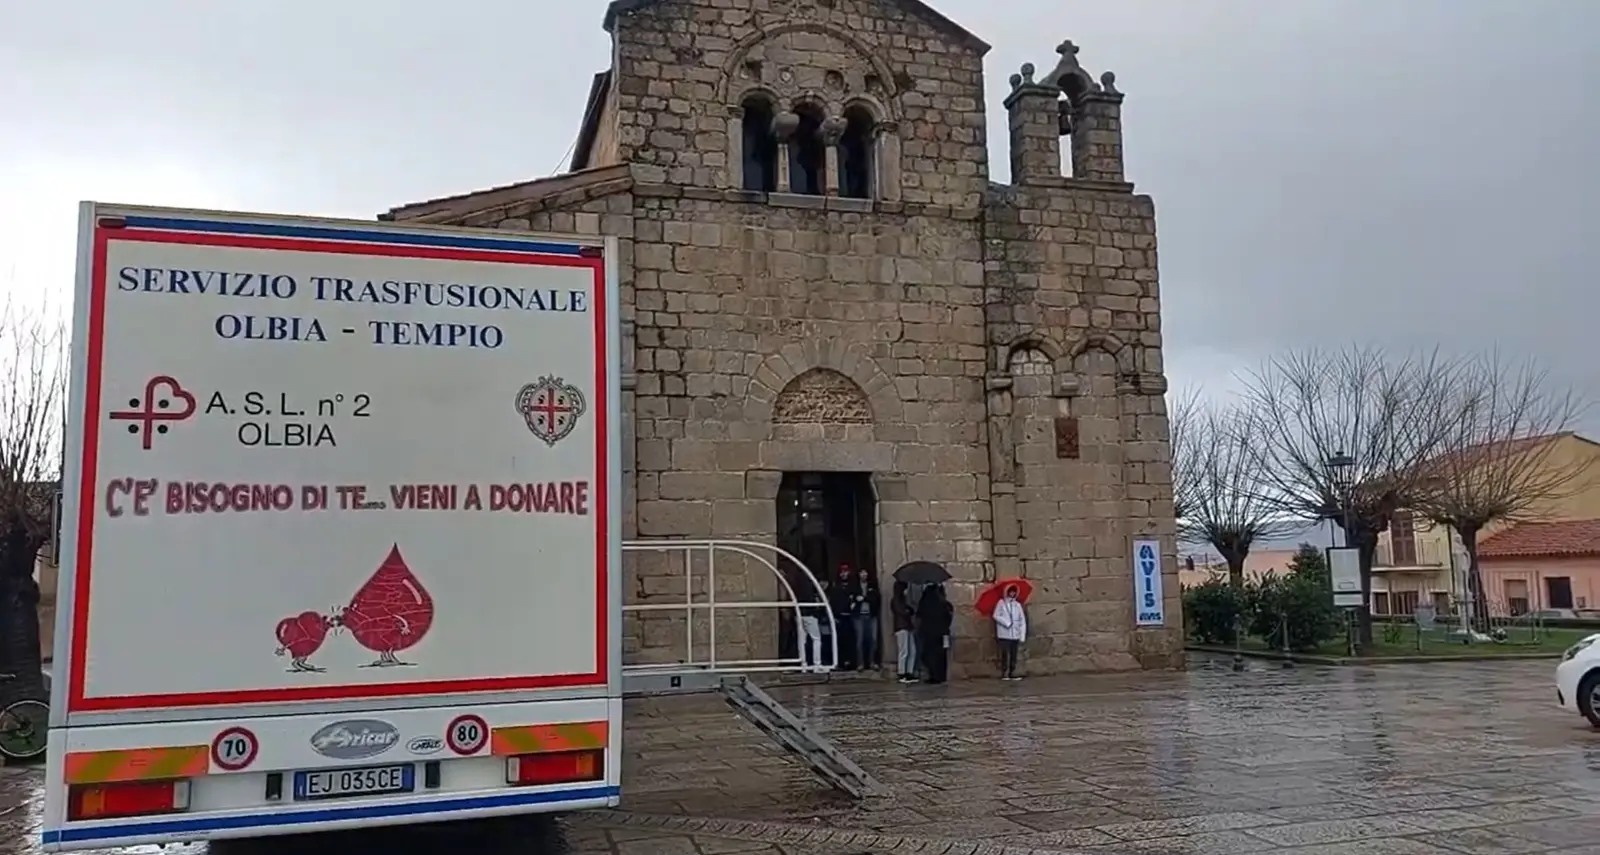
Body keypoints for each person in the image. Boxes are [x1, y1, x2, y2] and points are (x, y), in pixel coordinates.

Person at [915, 583, 953, 684]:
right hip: (941, 633)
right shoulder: (945, 604)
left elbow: (919, 616)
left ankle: (933, 675)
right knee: (941, 655)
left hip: (928, 633)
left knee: (930, 655)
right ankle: (941, 675)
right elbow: (949, 618)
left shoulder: (925, 603)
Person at [850, 567, 881, 672]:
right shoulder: (854, 586)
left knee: (873, 639)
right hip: (858, 616)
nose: (863, 575)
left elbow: (876, 599)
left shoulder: (873, 585)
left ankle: (872, 662)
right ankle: (860, 663)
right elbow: (852, 599)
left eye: (865, 572)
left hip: (871, 615)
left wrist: (864, 598)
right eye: (861, 573)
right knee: (859, 640)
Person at [992, 584, 1027, 680]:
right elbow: (995, 615)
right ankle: (1004, 672)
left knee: (1013, 654)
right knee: (1005, 653)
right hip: (1004, 633)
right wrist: (1006, 622)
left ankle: (1012, 671)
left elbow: (1022, 620)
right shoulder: (1001, 603)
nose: (1012, 593)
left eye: (1014, 592)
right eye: (1011, 592)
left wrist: (1022, 634)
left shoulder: (1017, 605)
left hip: (1014, 634)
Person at [827, 566, 857, 670]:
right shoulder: (835, 588)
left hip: (851, 617)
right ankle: (840, 662)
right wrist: (834, 616)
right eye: (842, 572)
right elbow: (832, 602)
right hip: (839, 617)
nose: (844, 574)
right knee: (839, 641)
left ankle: (851, 662)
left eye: (846, 572)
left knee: (851, 641)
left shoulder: (853, 586)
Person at [796, 571, 826, 671]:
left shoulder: (797, 586)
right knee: (816, 639)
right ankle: (817, 665)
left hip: (799, 614)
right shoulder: (810, 587)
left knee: (802, 641)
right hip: (810, 615)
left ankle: (803, 665)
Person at [891, 580, 918, 683]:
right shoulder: (896, 600)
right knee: (904, 650)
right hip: (901, 627)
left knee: (912, 650)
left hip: (908, 626)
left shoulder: (903, 600)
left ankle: (909, 672)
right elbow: (902, 611)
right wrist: (908, 610)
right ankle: (901, 672)